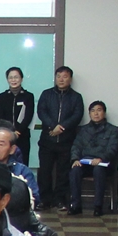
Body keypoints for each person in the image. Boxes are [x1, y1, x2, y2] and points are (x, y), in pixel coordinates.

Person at [36, 66, 83, 209]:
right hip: (47, 140)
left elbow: (77, 115)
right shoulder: (46, 94)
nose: (61, 79)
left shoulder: (76, 97)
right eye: (59, 76)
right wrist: (52, 126)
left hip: (66, 141)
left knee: (63, 173)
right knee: (44, 171)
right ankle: (44, 199)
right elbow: (41, 111)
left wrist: (61, 127)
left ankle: (60, 200)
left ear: (70, 79)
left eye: (65, 76)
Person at [67, 102, 118, 215]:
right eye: (93, 111)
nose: (96, 113)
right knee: (75, 170)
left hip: (103, 164)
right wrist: (75, 159)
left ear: (104, 113)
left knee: (98, 170)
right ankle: (76, 205)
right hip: (85, 162)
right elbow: (76, 146)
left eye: (99, 110)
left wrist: (101, 158)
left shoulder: (113, 130)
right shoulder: (82, 130)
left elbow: (112, 149)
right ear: (89, 114)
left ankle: (98, 206)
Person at [0, 69, 35, 161]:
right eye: (10, 77)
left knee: (22, 161)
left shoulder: (28, 96)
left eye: (16, 77)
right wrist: (9, 132)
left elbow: (28, 115)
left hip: (23, 135)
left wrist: (18, 131)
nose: (13, 80)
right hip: (5, 136)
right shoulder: (2, 96)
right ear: (7, 80)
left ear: (21, 79)